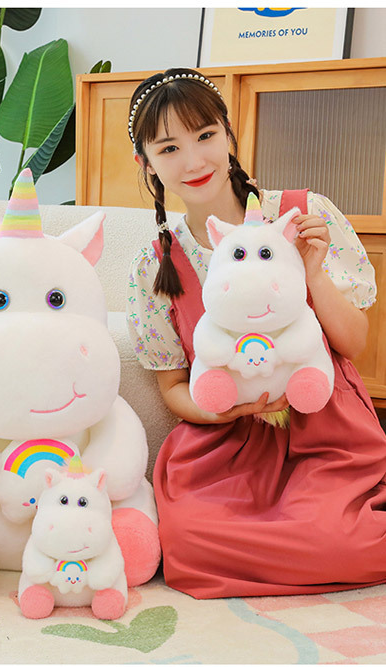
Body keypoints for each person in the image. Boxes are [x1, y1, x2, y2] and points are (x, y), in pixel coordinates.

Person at [126, 67, 386, 599]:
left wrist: (313, 272)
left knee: (340, 539)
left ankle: (321, 539)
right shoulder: (155, 265)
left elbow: (356, 344)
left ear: (228, 132)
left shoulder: (304, 214)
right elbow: (173, 387)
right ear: (146, 163)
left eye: (205, 136)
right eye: (169, 148)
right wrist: (225, 410)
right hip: (225, 446)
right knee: (187, 545)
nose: (194, 161)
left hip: (325, 431)